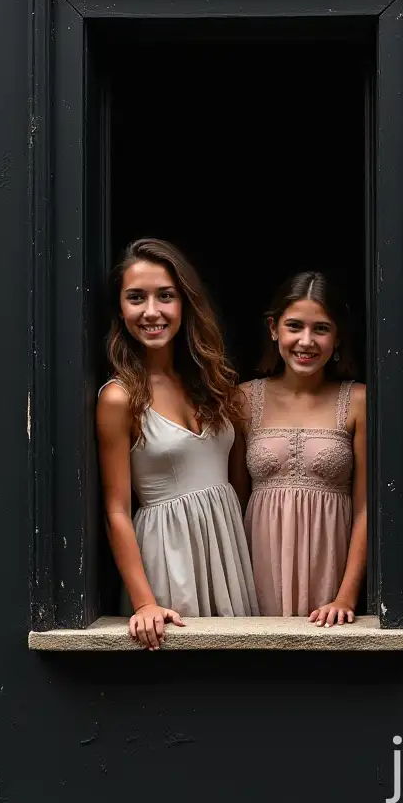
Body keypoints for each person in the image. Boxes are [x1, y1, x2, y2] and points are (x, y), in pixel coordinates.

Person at [96, 239, 259, 650]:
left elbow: (239, 485)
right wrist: (144, 602)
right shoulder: (119, 398)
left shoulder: (212, 383)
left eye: (165, 296)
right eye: (136, 298)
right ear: (120, 308)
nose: (152, 312)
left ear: (184, 303)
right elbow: (116, 508)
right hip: (169, 556)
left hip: (226, 551)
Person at [234, 272, 367, 624]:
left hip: (330, 578)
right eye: (294, 326)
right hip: (257, 569)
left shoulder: (358, 401)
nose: (306, 341)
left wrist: (346, 597)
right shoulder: (244, 399)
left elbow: (367, 509)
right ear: (273, 328)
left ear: (338, 337)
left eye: (321, 329)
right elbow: (235, 501)